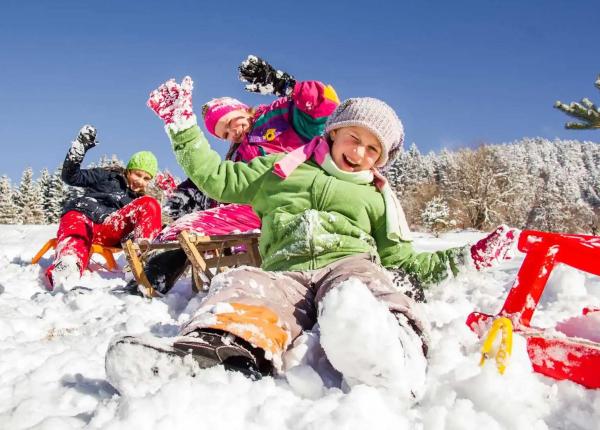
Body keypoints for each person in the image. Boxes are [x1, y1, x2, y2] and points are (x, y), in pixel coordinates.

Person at [106, 78, 518, 398]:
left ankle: (390, 352)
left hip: (349, 263)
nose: (359, 153)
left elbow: (403, 259)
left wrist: (469, 257)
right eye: (354, 138)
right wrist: (183, 127)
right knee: (242, 284)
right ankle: (209, 354)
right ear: (334, 133)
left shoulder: (375, 195)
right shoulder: (281, 168)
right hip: (287, 270)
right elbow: (218, 178)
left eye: (373, 149)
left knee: (363, 289)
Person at [126, 56, 340, 296]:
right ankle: (150, 276)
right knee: (189, 225)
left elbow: (326, 109)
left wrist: (285, 85)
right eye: (225, 134)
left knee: (194, 225)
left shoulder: (279, 116)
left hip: (294, 202)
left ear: (241, 108)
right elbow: (225, 183)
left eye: (230, 122)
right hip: (256, 211)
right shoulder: (237, 155)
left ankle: (152, 279)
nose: (232, 133)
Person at [45, 125, 162, 290]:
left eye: (146, 178)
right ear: (128, 171)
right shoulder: (106, 176)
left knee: (151, 203)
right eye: (137, 174)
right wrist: (79, 149)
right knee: (77, 235)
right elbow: (70, 177)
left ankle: (141, 261)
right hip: (82, 215)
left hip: (109, 227)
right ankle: (67, 266)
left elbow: (148, 223)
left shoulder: (138, 201)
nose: (140, 181)